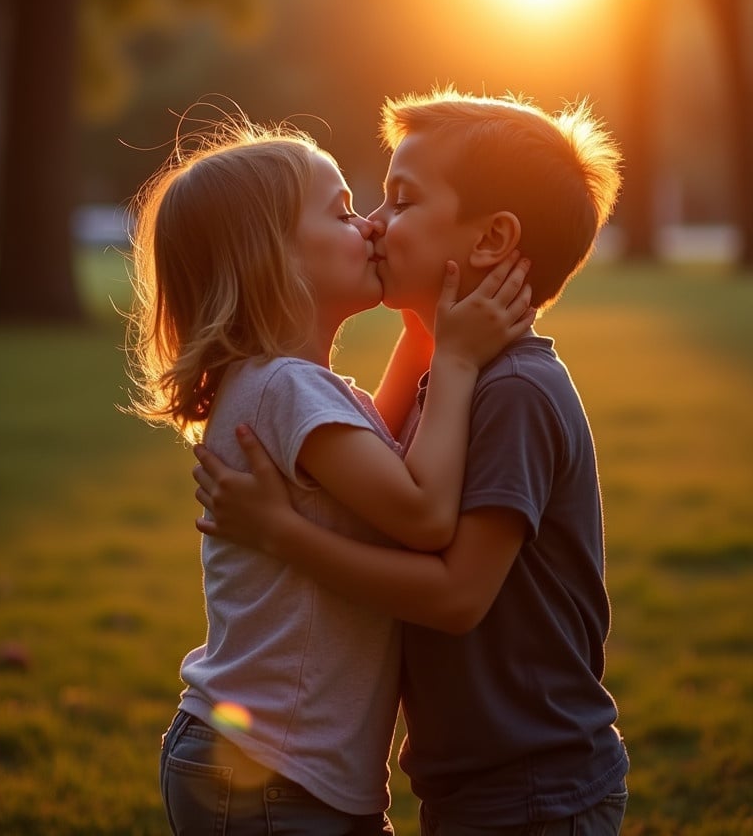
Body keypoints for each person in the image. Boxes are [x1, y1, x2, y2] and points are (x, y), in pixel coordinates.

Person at [192, 88, 630, 835]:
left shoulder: (512, 391)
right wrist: (429, 341)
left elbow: (458, 597)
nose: (373, 222)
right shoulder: (459, 381)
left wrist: (283, 534)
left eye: (401, 200)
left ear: (491, 239)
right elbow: (392, 469)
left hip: (536, 782)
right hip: (472, 778)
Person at [125, 113, 534, 836]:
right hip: (272, 773)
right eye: (344, 212)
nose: (372, 227)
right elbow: (422, 513)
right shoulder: (286, 388)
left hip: (266, 763)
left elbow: (365, 470)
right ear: (273, 259)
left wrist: (420, 342)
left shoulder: (283, 387)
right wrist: (458, 362)